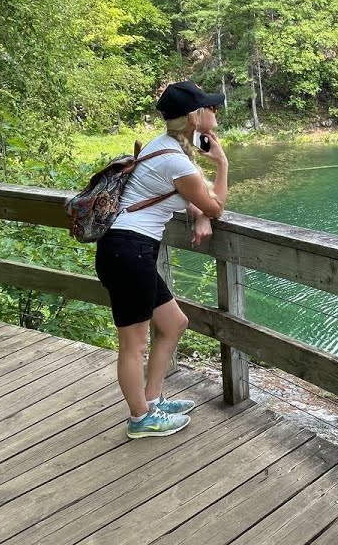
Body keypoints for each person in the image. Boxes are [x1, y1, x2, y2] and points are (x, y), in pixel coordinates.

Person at [94, 80, 230, 439]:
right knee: (133, 342)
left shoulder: (165, 148)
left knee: (173, 324)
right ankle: (140, 419)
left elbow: (190, 201)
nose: (215, 112)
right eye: (210, 108)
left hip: (128, 251)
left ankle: (151, 400)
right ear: (193, 116)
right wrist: (221, 163)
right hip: (129, 253)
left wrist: (199, 214)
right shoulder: (174, 159)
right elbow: (215, 205)